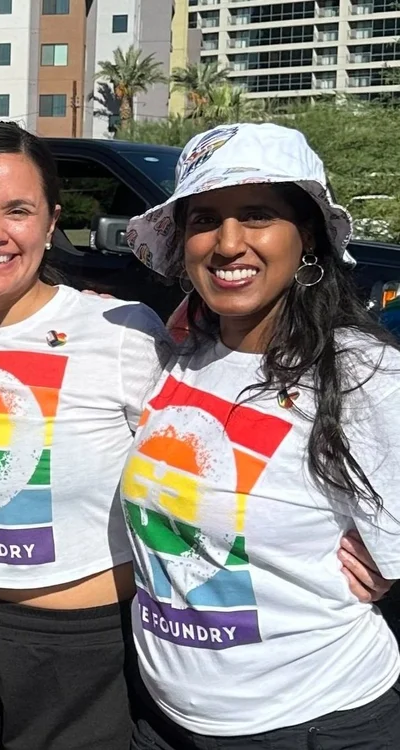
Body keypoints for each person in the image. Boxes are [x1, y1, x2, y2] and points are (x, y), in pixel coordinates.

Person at [123, 122, 400, 748]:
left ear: (307, 238)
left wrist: (391, 565)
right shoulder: (178, 355)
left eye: (257, 216)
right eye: (204, 219)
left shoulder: (364, 374)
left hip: (313, 723)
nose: (227, 243)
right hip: (161, 721)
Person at [0, 120, 169, 750]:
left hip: (80, 663)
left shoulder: (120, 330)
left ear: (51, 222)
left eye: (17, 210)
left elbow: (208, 462)